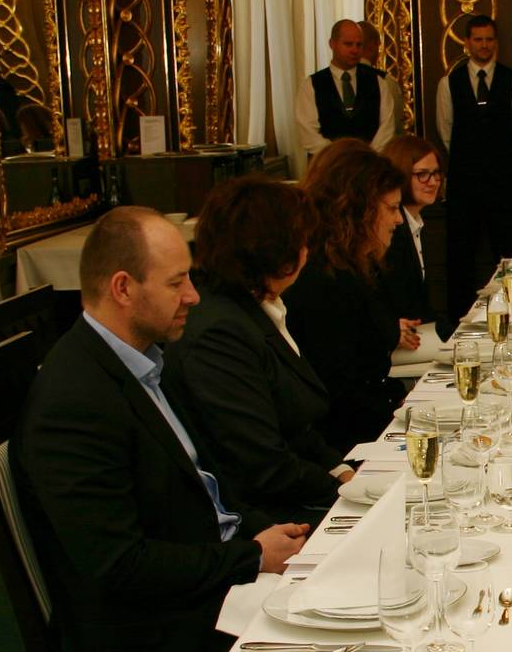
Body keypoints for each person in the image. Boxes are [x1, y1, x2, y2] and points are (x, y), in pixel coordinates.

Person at [12, 207, 309, 652]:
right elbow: (118, 565)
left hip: (204, 595)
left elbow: (204, 492)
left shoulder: (143, 362)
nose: (193, 296)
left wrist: (278, 535)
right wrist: (250, 557)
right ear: (123, 288)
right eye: (176, 282)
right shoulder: (74, 401)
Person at [165, 176, 349, 517]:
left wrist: (343, 471)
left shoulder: (255, 307)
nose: (308, 249)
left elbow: (296, 426)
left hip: (295, 491)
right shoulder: (219, 333)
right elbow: (261, 466)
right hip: (262, 516)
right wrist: (348, 492)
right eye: (302, 239)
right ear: (276, 250)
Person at [285, 140, 414, 450]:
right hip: (350, 445)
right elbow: (338, 393)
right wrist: (408, 416)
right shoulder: (320, 278)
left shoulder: (354, 264)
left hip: (373, 422)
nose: (399, 220)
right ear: (358, 209)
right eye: (392, 209)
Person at [435, 14, 512, 318]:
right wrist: (472, 160)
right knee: (460, 254)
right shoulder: (448, 83)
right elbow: (446, 129)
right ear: (467, 43)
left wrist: (498, 160)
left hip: (505, 182)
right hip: (464, 182)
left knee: (507, 252)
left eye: (489, 39)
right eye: (478, 39)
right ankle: (460, 319)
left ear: (496, 42)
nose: (484, 45)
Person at [294, 18, 402, 167]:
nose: (354, 50)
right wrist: (338, 157)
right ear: (332, 44)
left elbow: (386, 128)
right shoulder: (311, 85)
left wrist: (366, 156)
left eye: (359, 45)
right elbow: (308, 133)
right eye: (348, 44)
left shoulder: (378, 83)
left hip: (369, 166)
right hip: (328, 168)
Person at [378, 133, 446, 327]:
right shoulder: (393, 227)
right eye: (423, 174)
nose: (433, 182)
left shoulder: (415, 220)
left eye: (436, 173)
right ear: (402, 175)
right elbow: (402, 304)